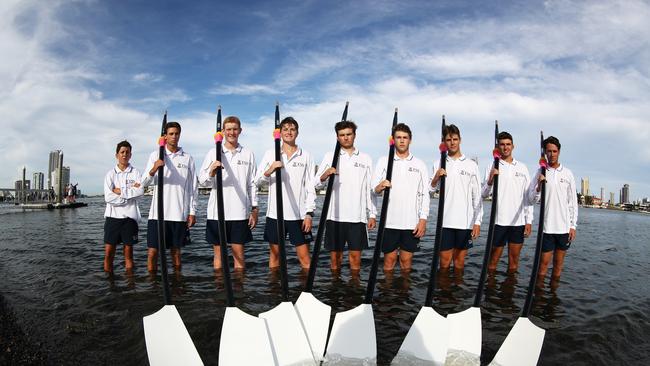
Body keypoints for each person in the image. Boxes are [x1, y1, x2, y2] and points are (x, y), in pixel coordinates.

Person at [315, 120, 377, 271]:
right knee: (335, 260)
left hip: (357, 217)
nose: (346, 138)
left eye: (349, 134)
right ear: (337, 137)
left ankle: (354, 291)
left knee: (355, 260)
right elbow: (316, 184)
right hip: (335, 217)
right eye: (342, 135)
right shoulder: (330, 156)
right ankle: (335, 290)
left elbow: (369, 189)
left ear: (354, 135)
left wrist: (373, 214)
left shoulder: (365, 158)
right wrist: (324, 175)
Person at [255, 117, 316, 269]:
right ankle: (274, 291)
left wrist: (309, 214)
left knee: (305, 259)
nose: (289, 132)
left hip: (299, 215)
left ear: (297, 132)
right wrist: (269, 171)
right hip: (275, 214)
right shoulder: (271, 154)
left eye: (292, 129)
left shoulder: (306, 155)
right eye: (285, 129)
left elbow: (310, 186)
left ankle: (305, 290)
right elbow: (256, 182)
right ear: (279, 133)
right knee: (275, 257)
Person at [199, 116, 257, 270]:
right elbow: (202, 182)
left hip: (240, 212)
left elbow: (252, 184)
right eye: (229, 129)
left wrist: (255, 209)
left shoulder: (248, 154)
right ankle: (219, 290)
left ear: (240, 131)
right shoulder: (213, 153)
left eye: (235, 129)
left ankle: (239, 291)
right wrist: (212, 171)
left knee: (239, 254)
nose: (232, 132)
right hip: (217, 213)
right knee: (219, 255)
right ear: (223, 131)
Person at [142, 121, 198, 272]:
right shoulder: (156, 155)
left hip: (178, 214)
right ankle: (152, 284)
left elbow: (193, 187)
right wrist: (154, 168)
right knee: (153, 252)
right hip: (157, 215)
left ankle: (177, 284)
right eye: (171, 134)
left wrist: (192, 211)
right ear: (165, 136)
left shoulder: (188, 158)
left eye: (176, 134)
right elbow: (144, 182)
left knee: (176, 253)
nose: (174, 137)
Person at [372, 123, 429, 271]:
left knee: (406, 262)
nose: (402, 140)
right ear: (393, 140)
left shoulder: (420, 164)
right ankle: (387, 293)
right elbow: (373, 190)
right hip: (389, 222)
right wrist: (380, 186)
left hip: (411, 223)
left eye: (405, 137)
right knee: (389, 261)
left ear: (410, 140)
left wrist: (423, 219)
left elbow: (424, 194)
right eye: (398, 137)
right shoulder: (384, 161)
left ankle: (404, 293)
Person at [431, 124, 482, 271]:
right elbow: (431, 190)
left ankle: (458, 292)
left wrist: (477, 222)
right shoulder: (438, 163)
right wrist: (435, 178)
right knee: (444, 263)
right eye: (448, 140)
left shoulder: (471, 165)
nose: (452, 142)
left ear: (460, 140)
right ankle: (443, 293)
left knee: (459, 263)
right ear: (443, 142)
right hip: (445, 221)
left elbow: (477, 195)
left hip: (465, 222)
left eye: (455, 139)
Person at [482, 131, 533, 272]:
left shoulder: (522, 168)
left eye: (508, 144)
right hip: (499, 221)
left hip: (518, 222)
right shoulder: (492, 166)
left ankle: (509, 292)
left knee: (514, 263)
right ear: (498, 146)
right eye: (502, 144)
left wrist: (528, 220)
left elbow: (528, 197)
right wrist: (491, 179)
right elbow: (484, 194)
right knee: (492, 263)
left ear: (513, 146)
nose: (505, 147)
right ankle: (490, 292)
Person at [529, 136, 578, 282]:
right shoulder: (540, 172)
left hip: (563, 228)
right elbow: (531, 199)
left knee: (558, 265)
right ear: (544, 152)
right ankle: (539, 297)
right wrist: (538, 186)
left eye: (554, 151)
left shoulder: (568, 173)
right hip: (547, 228)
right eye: (549, 151)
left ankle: (553, 297)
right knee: (542, 265)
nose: (552, 154)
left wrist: (572, 225)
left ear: (559, 151)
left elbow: (572, 202)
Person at [103, 140, 143, 273]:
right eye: (122, 152)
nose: (125, 154)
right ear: (117, 155)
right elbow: (108, 197)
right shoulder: (110, 174)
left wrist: (120, 191)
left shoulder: (136, 172)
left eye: (127, 152)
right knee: (109, 254)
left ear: (130, 155)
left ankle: (130, 287)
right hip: (113, 218)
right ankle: (109, 285)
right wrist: (128, 196)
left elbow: (140, 193)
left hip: (130, 219)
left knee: (129, 255)